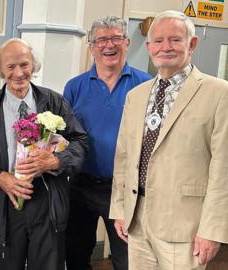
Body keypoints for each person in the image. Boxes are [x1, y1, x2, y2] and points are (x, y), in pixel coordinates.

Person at [110, 10, 228, 269]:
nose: (166, 47)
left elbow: (223, 169)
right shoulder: (136, 95)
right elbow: (124, 157)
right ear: (149, 46)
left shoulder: (219, 93)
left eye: (175, 39)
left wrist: (212, 230)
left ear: (192, 44)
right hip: (137, 220)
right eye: (159, 41)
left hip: (185, 227)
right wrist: (120, 209)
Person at [0, 38, 88, 270]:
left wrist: (56, 161)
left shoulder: (55, 101)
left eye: (24, 65)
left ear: (33, 67)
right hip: (5, 201)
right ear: (0, 70)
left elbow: (80, 141)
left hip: (48, 202)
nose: (18, 73)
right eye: (10, 66)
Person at [63, 16, 151, 270]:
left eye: (115, 38)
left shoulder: (146, 84)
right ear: (91, 46)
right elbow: (64, 137)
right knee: (76, 254)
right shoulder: (74, 87)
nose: (108, 45)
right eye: (101, 39)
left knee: (127, 259)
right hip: (81, 185)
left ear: (127, 42)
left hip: (126, 189)